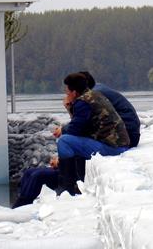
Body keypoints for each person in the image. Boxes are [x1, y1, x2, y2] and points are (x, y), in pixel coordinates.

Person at [12, 73, 130, 207]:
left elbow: (76, 129)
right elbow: (82, 127)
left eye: (67, 90)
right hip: (114, 144)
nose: (65, 93)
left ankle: (66, 186)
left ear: (74, 92)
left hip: (111, 147)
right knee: (32, 172)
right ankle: (22, 204)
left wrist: (63, 128)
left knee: (65, 141)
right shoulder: (93, 96)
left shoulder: (83, 102)